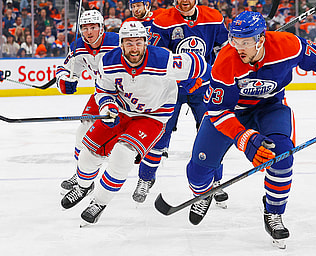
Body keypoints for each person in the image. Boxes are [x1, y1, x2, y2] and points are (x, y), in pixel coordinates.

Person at [183, 11, 316, 248]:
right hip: (231, 113)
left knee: (282, 156)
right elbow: (217, 111)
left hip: (270, 107)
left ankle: (274, 212)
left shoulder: (289, 45)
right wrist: (244, 138)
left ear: (261, 39)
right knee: (197, 172)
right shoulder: (225, 61)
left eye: (245, 41)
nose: (238, 47)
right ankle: (204, 192)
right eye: (235, 40)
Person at [60, 21, 212, 225]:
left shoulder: (163, 59)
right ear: (121, 44)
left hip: (153, 115)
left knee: (123, 154)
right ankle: (83, 186)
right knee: (88, 155)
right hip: (122, 110)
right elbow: (103, 90)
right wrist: (108, 107)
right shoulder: (109, 61)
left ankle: (99, 202)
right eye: (129, 43)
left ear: (145, 42)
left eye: (138, 42)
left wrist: (201, 80)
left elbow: (200, 65)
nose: (134, 48)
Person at [132, 0, 229, 206]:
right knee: (160, 133)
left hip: (204, 87)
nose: (184, 1)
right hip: (171, 88)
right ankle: (146, 178)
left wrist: (210, 72)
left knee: (212, 133)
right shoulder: (163, 21)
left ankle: (215, 181)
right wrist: (185, 77)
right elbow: (156, 57)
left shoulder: (214, 17)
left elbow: (225, 51)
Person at [56, 10, 119, 193]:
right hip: (102, 92)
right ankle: (81, 174)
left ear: (101, 28)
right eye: (84, 28)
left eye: (93, 27)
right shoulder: (78, 46)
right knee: (82, 131)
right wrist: (65, 81)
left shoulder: (116, 41)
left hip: (127, 95)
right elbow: (64, 69)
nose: (89, 32)